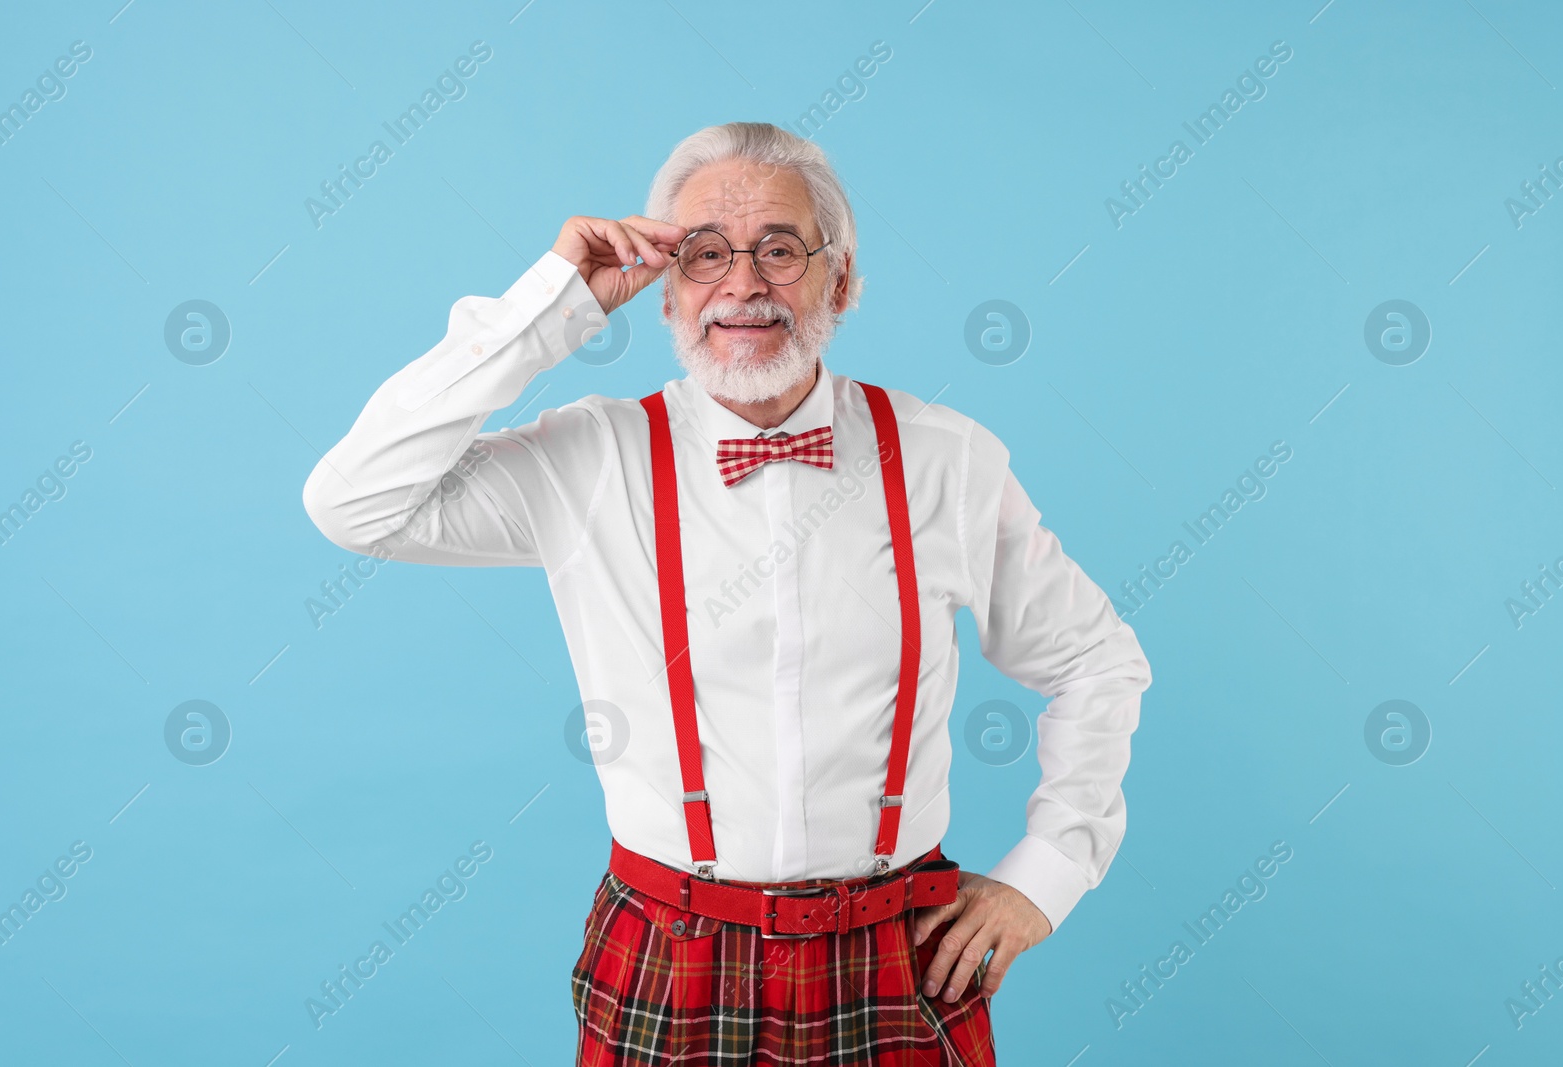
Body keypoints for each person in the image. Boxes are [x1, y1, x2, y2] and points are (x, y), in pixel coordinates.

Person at [302, 120, 1152, 1064]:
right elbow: (354, 504)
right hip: (670, 956)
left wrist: (1049, 870)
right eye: (707, 253)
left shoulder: (947, 458)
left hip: (900, 959)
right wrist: (555, 305)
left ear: (841, 279)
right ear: (665, 285)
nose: (743, 284)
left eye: (779, 250)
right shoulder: (589, 459)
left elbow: (1095, 659)